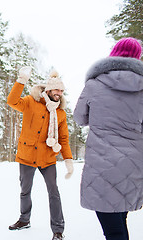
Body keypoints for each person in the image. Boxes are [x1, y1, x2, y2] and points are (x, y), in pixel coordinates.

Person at [73, 37, 143, 240]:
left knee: (113, 230)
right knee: (120, 222)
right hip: (132, 165)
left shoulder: (95, 84)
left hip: (101, 164)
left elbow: (79, 117)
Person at [6, 67, 74, 240]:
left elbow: (64, 138)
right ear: (49, 90)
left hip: (47, 157)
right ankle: (24, 220)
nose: (59, 93)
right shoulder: (30, 102)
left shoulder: (60, 113)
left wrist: (68, 159)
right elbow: (12, 101)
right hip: (27, 155)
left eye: (61, 90)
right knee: (25, 190)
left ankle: (58, 230)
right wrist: (21, 80)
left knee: (53, 192)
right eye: (57, 90)